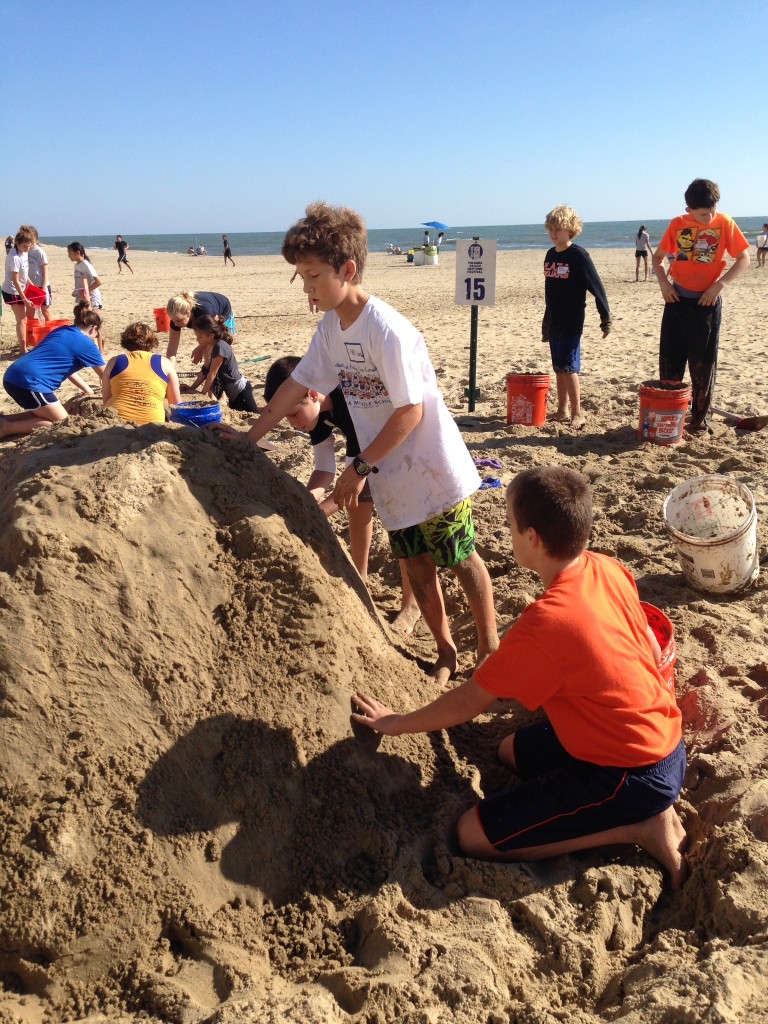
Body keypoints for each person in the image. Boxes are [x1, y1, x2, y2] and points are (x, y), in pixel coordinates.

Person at [352, 467, 689, 889]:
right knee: (510, 752)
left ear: (533, 538)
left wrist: (395, 723)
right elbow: (652, 650)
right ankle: (631, 802)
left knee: (472, 835)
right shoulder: (606, 567)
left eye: (510, 525)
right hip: (664, 739)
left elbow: (469, 701)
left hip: (634, 774)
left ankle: (638, 827)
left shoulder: (547, 623)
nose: (508, 534)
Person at [214, 202, 499, 683]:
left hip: (431, 468)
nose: (306, 288)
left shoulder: (386, 329)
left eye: (313, 276)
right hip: (390, 474)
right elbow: (296, 385)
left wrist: (360, 467)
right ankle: (446, 651)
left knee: (459, 557)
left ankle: (490, 648)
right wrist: (249, 436)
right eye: (301, 278)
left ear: (347, 270)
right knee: (414, 563)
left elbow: (412, 410)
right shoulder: (330, 329)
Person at [262, 355, 421, 634]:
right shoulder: (317, 414)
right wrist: (308, 498)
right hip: (365, 451)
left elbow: (347, 484)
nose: (291, 424)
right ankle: (360, 579)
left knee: (402, 523)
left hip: (402, 441)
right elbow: (324, 470)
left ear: (312, 394)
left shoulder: (350, 400)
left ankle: (411, 604)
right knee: (358, 508)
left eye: (293, 414)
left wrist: (315, 512)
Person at [651, 179, 750, 434]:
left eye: (713, 210)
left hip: (707, 303)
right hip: (676, 300)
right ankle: (670, 417)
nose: (710, 216)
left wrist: (720, 285)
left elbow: (743, 259)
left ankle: (698, 422)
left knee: (703, 366)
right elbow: (658, 258)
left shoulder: (725, 222)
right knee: (670, 364)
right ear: (689, 210)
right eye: (704, 213)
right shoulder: (677, 224)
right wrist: (664, 284)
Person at [542, 205, 612, 430]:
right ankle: (561, 410)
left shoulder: (578, 255)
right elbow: (549, 291)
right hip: (554, 319)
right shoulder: (550, 255)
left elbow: (596, 287)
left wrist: (605, 317)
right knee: (558, 367)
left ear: (570, 230)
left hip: (572, 320)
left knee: (570, 368)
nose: (553, 234)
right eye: (550, 229)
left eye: (558, 229)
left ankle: (577, 413)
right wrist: (546, 321)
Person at [1, 306, 105, 439]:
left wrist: (87, 389)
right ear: (94, 328)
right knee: (62, 423)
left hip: (12, 376)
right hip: (31, 383)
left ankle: (5, 420)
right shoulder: (87, 344)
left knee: (43, 412)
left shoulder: (62, 330)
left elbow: (67, 369)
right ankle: (7, 428)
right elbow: (106, 375)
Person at [102, 321, 181, 425]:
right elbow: (176, 405)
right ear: (152, 342)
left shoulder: (114, 362)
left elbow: (106, 400)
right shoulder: (164, 363)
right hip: (152, 422)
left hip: (117, 421)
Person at [182, 315, 257, 412]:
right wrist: (191, 388)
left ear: (211, 336)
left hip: (240, 390)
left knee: (255, 415)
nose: (197, 340)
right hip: (232, 393)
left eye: (200, 337)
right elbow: (205, 370)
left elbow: (212, 373)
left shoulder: (220, 347)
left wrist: (202, 393)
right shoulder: (209, 346)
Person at [165, 291, 235, 361]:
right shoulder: (176, 318)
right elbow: (172, 347)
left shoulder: (205, 312)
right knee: (203, 340)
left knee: (219, 343)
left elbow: (215, 333)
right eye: (172, 320)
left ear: (188, 313)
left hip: (221, 309)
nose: (175, 324)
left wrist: (200, 348)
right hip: (202, 315)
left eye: (178, 320)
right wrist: (168, 367)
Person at [2, 226, 36, 353]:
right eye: (24, 246)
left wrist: (32, 287)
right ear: (17, 244)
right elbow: (15, 280)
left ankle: (24, 343)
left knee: (27, 317)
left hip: (21, 287)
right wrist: (25, 298)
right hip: (12, 291)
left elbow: (24, 274)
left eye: (28, 246)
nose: (27, 249)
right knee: (22, 319)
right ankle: (23, 349)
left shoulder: (24, 252)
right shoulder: (14, 257)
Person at [26, 226, 52, 323]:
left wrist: (44, 287)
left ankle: (49, 331)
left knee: (45, 310)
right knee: (30, 311)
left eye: (32, 240)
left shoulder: (39, 252)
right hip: (30, 287)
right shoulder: (25, 251)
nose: (30, 243)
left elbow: (45, 270)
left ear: (36, 239)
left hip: (42, 285)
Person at [67, 242, 103, 309]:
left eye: (70, 253)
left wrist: (86, 291)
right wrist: (76, 292)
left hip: (93, 298)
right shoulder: (76, 265)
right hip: (83, 298)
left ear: (77, 253)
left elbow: (98, 282)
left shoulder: (86, 264)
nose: (68, 256)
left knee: (91, 319)